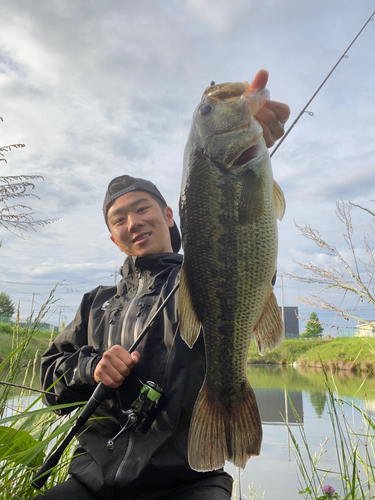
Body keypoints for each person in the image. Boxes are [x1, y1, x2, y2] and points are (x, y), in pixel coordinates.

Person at [34, 70, 290, 500]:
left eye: (141, 208)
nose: (132, 222)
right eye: (119, 219)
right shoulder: (94, 305)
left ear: (170, 215)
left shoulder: (196, 274)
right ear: (113, 238)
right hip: (92, 477)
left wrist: (255, 150)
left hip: (188, 480)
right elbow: (49, 380)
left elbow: (236, 254)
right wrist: (91, 367)